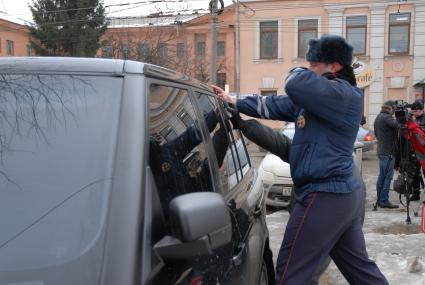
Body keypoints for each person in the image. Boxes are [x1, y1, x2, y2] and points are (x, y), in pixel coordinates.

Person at [214, 34, 388, 285]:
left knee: (291, 274)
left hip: (325, 196)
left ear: (335, 66)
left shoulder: (343, 94)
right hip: (339, 198)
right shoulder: (315, 102)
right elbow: (273, 104)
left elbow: (296, 84)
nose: (309, 69)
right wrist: (235, 102)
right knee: (361, 270)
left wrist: (297, 71)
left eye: (314, 64)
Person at [374, 101, 399, 208]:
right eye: (393, 109)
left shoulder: (378, 117)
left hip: (381, 150)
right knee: (387, 177)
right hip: (388, 152)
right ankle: (383, 200)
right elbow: (398, 125)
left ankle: (380, 199)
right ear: (390, 108)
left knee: (382, 176)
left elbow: (376, 134)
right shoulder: (387, 118)